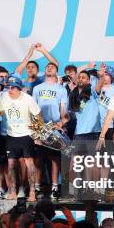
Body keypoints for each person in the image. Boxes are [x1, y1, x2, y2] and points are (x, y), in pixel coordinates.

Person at [0, 75, 43, 201]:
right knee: (10, 165)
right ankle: (12, 191)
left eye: (13, 88)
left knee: (29, 163)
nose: (10, 90)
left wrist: (38, 134)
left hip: (26, 135)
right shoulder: (4, 97)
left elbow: (38, 115)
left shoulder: (27, 99)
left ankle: (32, 192)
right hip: (11, 136)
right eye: (9, 87)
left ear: (19, 88)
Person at [32, 62, 68, 200]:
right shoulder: (37, 88)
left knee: (54, 159)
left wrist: (62, 122)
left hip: (54, 128)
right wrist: (36, 130)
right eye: (47, 66)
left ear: (56, 72)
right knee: (38, 159)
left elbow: (63, 109)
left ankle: (54, 187)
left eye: (52, 67)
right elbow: (33, 108)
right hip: (40, 128)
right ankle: (36, 187)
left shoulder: (61, 89)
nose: (49, 67)